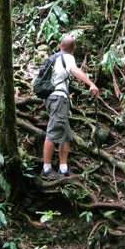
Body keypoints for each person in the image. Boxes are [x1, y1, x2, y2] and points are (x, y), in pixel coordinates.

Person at [41, 35, 100, 179]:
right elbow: (73, 70)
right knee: (53, 132)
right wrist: (91, 84)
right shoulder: (67, 57)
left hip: (51, 98)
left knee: (66, 135)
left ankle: (63, 168)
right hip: (58, 99)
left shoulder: (53, 59)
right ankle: (46, 169)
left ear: (60, 45)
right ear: (73, 49)